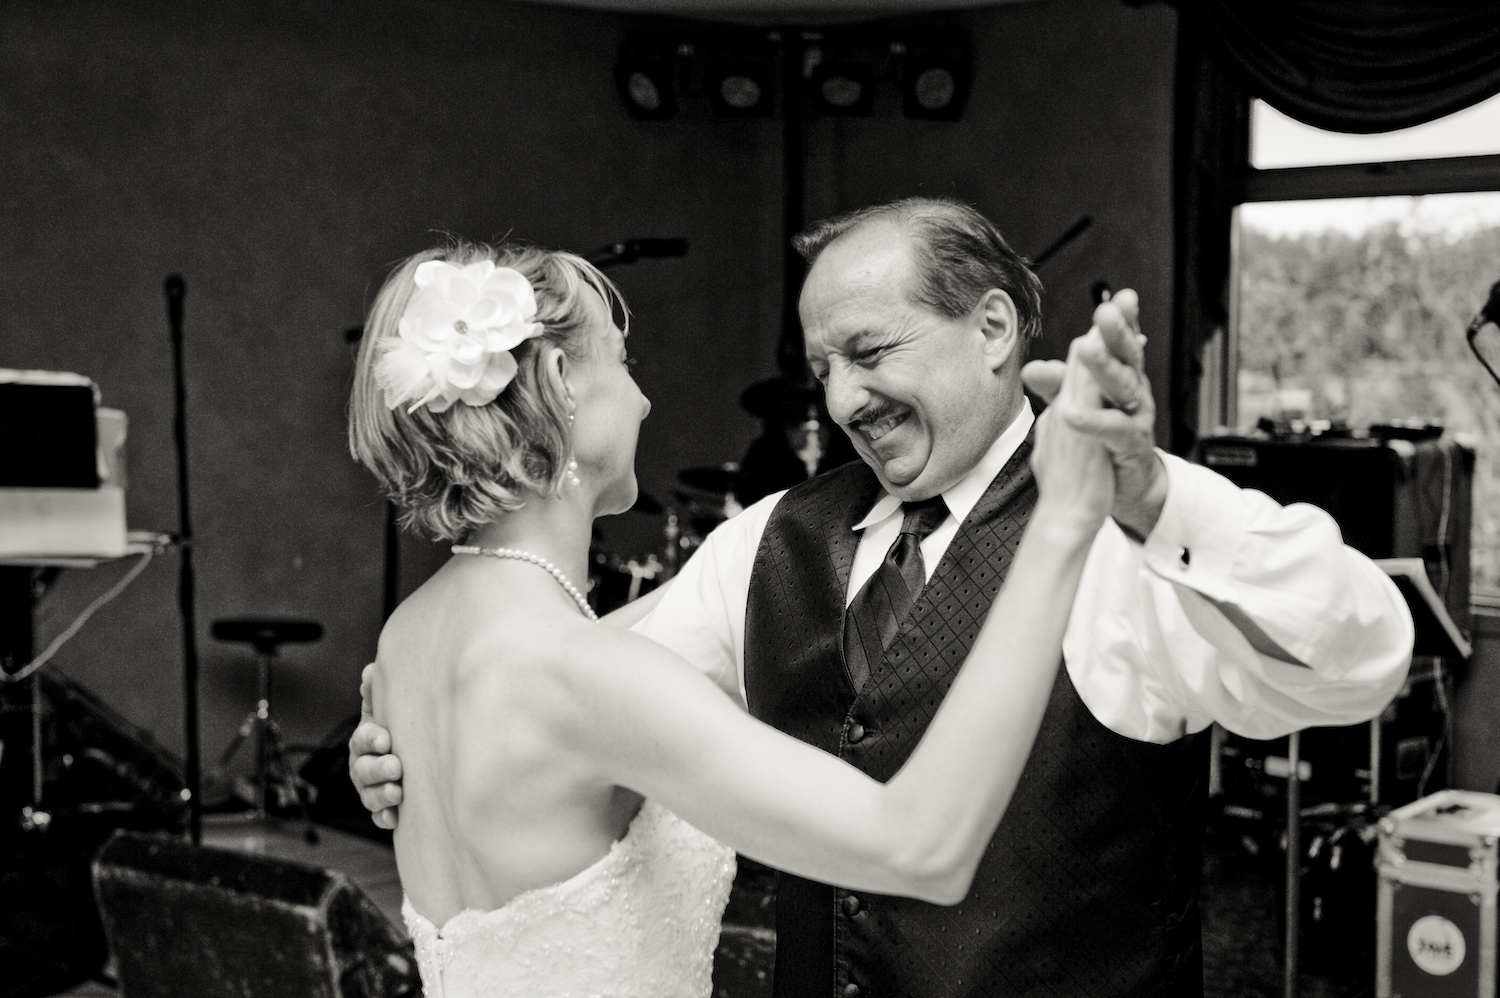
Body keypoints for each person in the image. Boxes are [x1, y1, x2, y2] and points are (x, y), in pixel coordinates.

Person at [352, 199, 1415, 997]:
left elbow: (1361, 659)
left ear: (994, 328)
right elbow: (587, 677)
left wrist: (1152, 491)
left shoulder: (1128, 538)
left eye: (870, 352)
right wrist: (407, 733)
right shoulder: (767, 539)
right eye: (824, 367)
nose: (844, 399)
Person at [349, 238, 1124, 998]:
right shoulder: (590, 676)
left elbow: (664, 619)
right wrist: (1058, 526)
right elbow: (922, 848)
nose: (645, 399)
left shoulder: (409, 640)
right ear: (560, 379)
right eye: (625, 364)